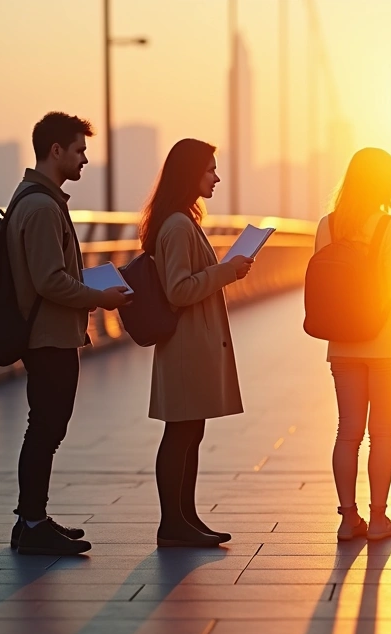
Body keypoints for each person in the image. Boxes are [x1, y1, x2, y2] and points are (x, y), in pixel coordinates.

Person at [6, 112, 132, 556]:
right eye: (78, 150)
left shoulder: (38, 199)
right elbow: (49, 280)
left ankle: (31, 519)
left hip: (52, 333)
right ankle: (32, 523)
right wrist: (101, 298)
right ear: (55, 151)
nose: (84, 159)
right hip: (49, 336)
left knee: (45, 427)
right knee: (45, 428)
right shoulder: (40, 206)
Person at [139, 138, 254, 548]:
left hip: (191, 345)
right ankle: (173, 522)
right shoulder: (177, 225)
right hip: (186, 348)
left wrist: (226, 270)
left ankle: (185, 518)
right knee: (180, 434)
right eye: (210, 170)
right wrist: (227, 272)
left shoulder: (182, 221)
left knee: (190, 433)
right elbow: (178, 290)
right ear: (190, 174)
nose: (216, 177)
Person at [313, 148, 391, 542]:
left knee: (347, 432)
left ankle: (348, 520)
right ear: (386, 182)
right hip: (387, 347)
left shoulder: (327, 225)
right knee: (382, 432)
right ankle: (378, 519)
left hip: (342, 345)